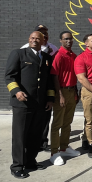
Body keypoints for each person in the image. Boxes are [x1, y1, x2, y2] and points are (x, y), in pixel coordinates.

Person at [5, 31, 55, 178]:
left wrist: (50, 98)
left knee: (35, 135)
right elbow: (9, 76)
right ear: (29, 39)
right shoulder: (19, 54)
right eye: (32, 38)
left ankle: (30, 162)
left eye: (38, 39)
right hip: (22, 103)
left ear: (43, 41)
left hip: (39, 104)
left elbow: (48, 81)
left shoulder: (46, 58)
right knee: (20, 136)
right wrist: (16, 91)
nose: (35, 40)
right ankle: (17, 166)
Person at [21, 25, 58, 151]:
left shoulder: (53, 48)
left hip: (45, 89)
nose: (44, 35)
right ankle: (27, 144)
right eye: (41, 33)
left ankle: (42, 142)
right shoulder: (24, 49)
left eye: (45, 33)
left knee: (45, 119)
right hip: (29, 93)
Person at [49, 31, 80, 166]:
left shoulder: (73, 55)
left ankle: (64, 147)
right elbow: (54, 76)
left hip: (72, 91)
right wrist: (59, 94)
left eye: (71, 39)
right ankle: (54, 153)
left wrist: (76, 92)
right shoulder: (59, 56)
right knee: (57, 124)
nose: (69, 41)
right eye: (66, 39)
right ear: (61, 40)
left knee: (67, 122)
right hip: (61, 92)